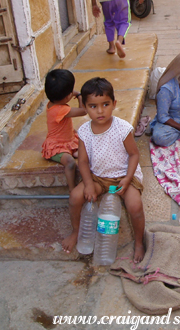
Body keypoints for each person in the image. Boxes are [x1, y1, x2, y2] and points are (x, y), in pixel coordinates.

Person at [63, 78, 146, 263]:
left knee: (135, 206)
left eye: (105, 104)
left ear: (114, 104)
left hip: (124, 175)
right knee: (75, 197)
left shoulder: (122, 129)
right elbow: (83, 162)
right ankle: (76, 231)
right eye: (93, 106)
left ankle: (139, 242)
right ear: (84, 106)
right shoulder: (84, 131)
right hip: (98, 177)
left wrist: (127, 178)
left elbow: (134, 155)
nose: (100, 111)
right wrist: (89, 184)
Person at [42, 69, 87, 192]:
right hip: (56, 146)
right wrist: (79, 95)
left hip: (68, 139)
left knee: (86, 145)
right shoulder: (60, 110)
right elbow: (83, 110)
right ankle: (72, 189)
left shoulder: (52, 103)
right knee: (70, 163)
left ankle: (74, 151)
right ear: (67, 96)